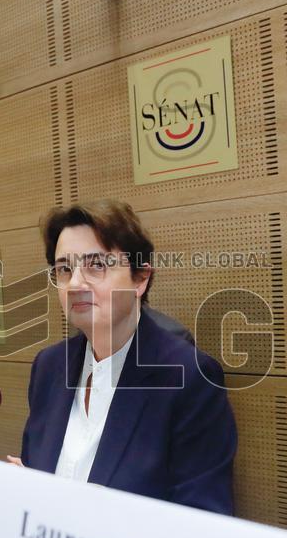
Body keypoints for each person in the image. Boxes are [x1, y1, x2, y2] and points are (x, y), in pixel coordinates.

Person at [18, 199, 237, 514]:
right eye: (64, 269)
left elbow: (202, 519)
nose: (76, 283)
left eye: (96, 265)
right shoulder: (49, 367)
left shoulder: (188, 378)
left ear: (140, 279)